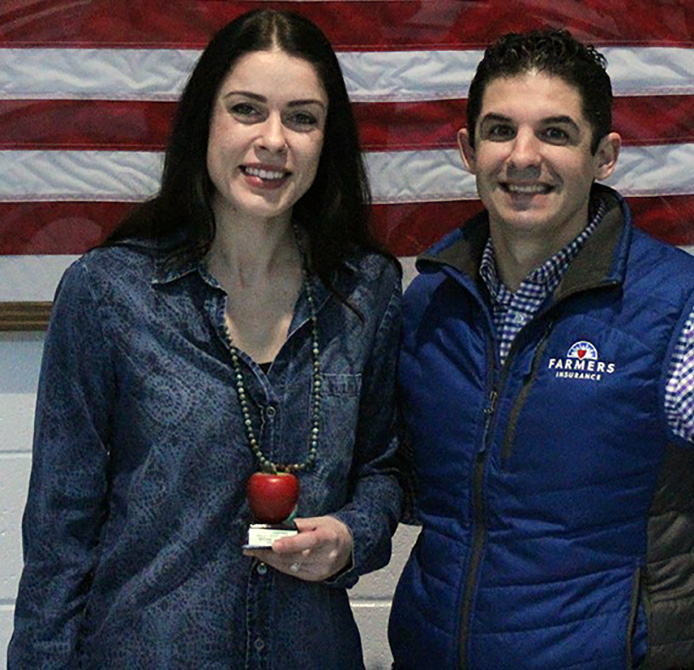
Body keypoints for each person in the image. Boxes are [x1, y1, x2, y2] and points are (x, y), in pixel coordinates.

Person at [389, 29, 694, 669]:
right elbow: (421, 491)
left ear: (604, 155)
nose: (522, 156)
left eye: (556, 133)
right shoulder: (431, 304)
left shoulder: (692, 316)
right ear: (467, 149)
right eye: (499, 130)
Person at [9, 9, 402, 669]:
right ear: (205, 122)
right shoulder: (109, 295)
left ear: (325, 140)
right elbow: (59, 541)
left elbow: (384, 470)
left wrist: (350, 536)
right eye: (247, 110)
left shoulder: (366, 295)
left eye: (301, 117)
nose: (273, 139)